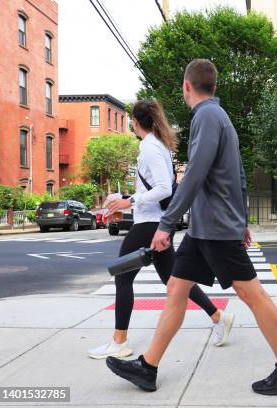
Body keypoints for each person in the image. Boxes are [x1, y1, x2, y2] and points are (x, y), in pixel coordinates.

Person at [106, 59, 277, 395]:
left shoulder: (206, 117)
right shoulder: (220, 118)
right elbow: (240, 175)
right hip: (205, 228)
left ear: (188, 86)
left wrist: (166, 224)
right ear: (212, 86)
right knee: (176, 288)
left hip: (215, 226)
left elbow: (195, 175)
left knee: (252, 294)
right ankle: (149, 366)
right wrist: (242, 219)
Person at [88, 100, 234, 360]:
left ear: (135, 122)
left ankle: (119, 341)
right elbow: (153, 187)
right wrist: (126, 198)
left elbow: (165, 188)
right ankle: (218, 316)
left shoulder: (149, 147)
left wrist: (130, 201)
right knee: (174, 281)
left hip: (149, 224)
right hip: (155, 221)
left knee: (123, 277)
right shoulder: (159, 146)